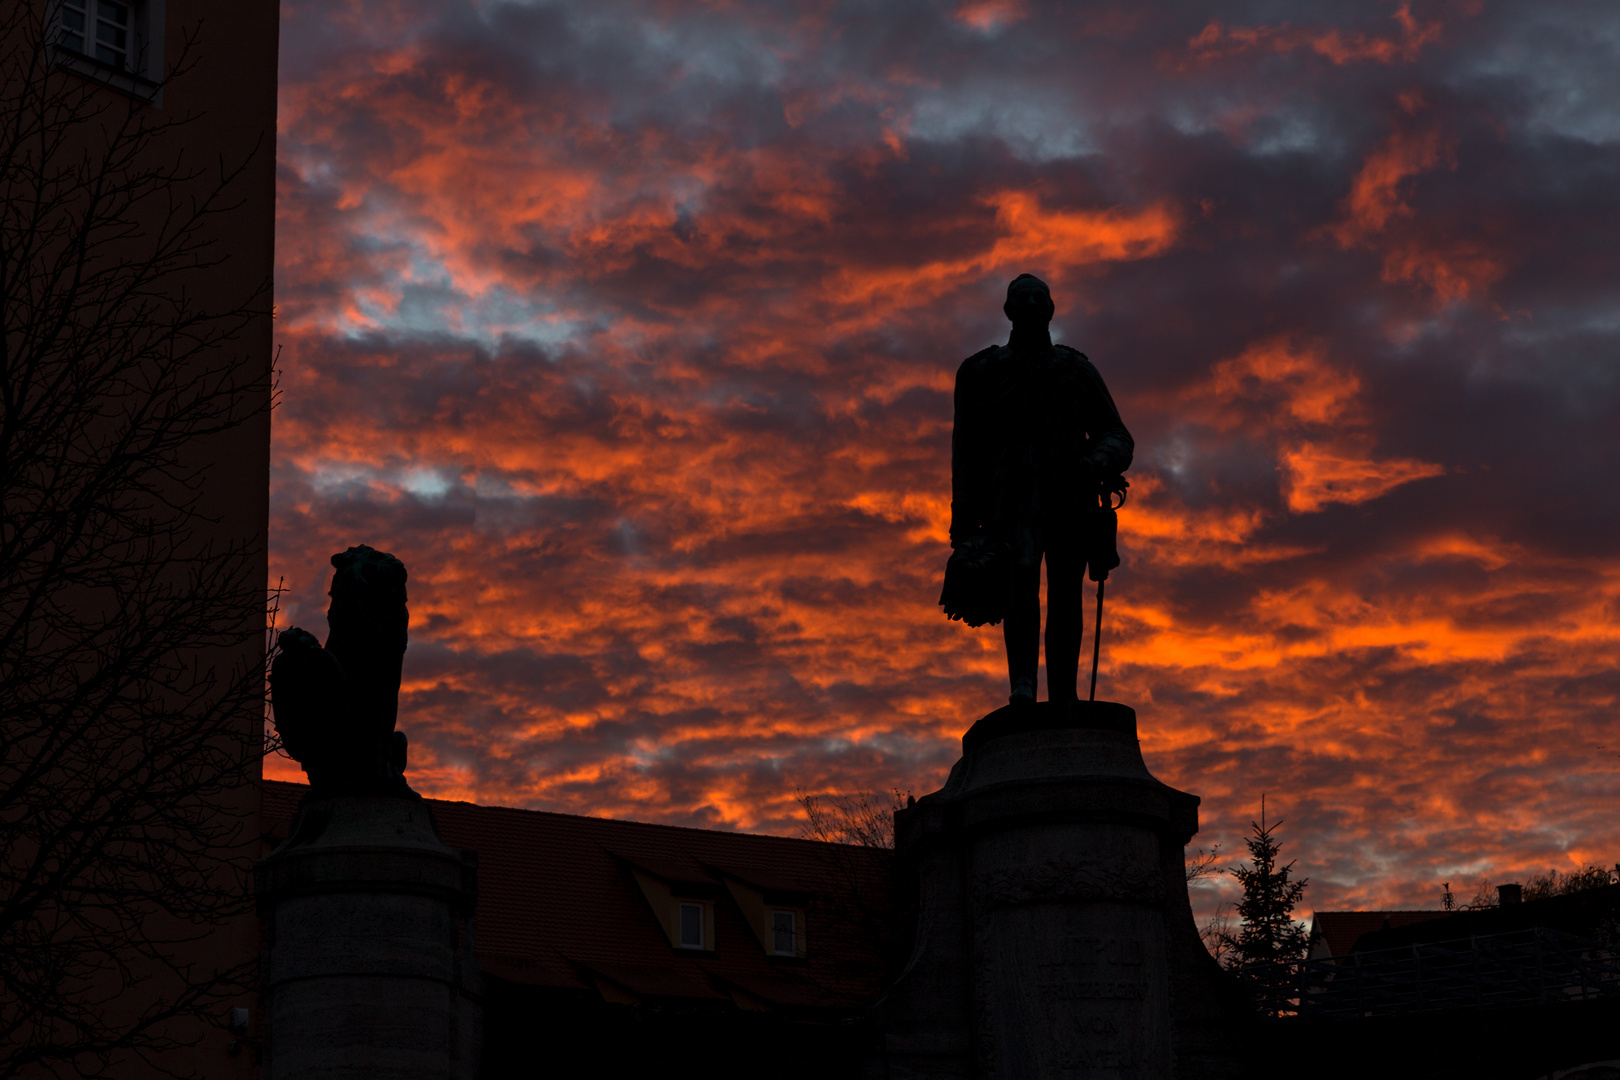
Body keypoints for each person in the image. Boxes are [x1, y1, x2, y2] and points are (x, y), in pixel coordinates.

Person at [945, 274, 1133, 707]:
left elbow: (1116, 433)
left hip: (1069, 495)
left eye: (1039, 298)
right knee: (1021, 578)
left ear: (1051, 309)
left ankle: (1063, 693)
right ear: (1008, 310)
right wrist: (964, 521)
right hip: (1009, 500)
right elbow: (966, 451)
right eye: (1021, 298)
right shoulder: (981, 372)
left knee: (1067, 591)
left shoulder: (1075, 369)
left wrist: (1098, 462)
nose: (1031, 303)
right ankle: (1023, 687)